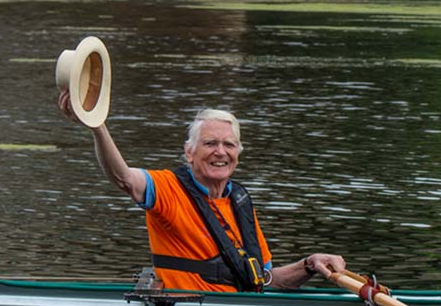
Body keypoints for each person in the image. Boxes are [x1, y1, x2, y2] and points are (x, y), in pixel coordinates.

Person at [57, 93, 345, 292]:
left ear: (238, 154)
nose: (220, 152)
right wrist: (98, 127)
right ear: (190, 152)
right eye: (210, 144)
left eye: (229, 145)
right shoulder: (168, 188)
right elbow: (124, 178)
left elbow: (267, 281)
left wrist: (309, 264)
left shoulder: (241, 202)